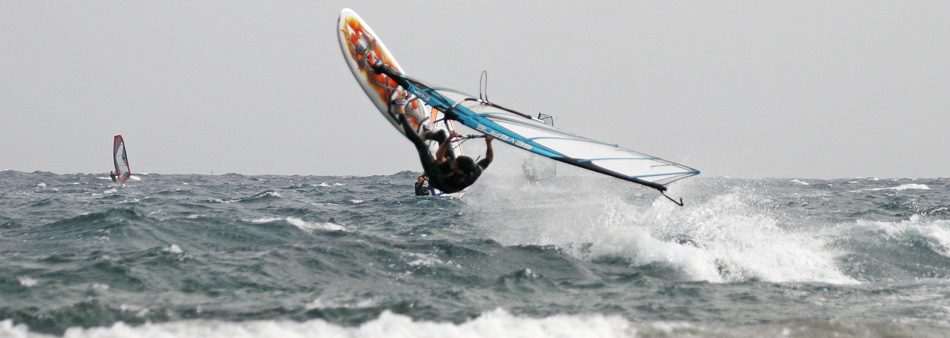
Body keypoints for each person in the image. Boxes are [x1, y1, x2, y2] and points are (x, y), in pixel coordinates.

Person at [395, 112, 493, 194]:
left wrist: (450, 138)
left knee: (421, 145)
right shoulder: (475, 170)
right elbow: (489, 158)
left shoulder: (450, 175)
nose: (453, 161)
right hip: (453, 174)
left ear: (459, 170)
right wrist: (488, 143)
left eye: (455, 163)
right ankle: (427, 134)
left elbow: (439, 156)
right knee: (442, 135)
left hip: (438, 180)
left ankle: (401, 114)